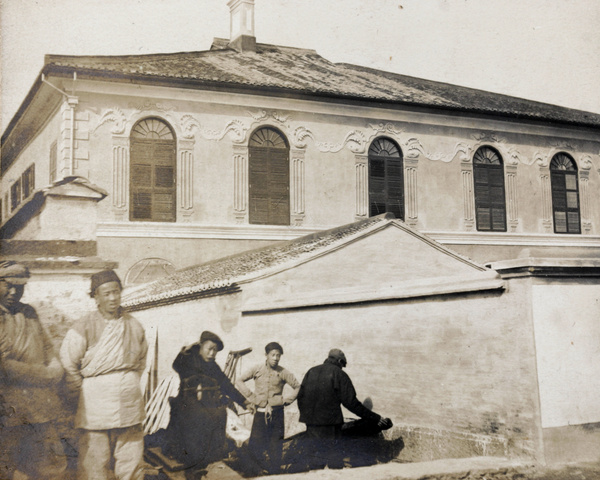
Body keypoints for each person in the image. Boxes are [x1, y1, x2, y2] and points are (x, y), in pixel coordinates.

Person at [60, 269, 148, 480]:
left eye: (116, 292)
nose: (113, 298)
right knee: (94, 459)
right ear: (95, 297)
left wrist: (127, 382)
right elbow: (69, 363)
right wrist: (80, 392)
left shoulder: (134, 325)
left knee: (131, 457)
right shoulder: (83, 326)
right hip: (95, 401)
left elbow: (141, 362)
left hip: (129, 400)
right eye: (106, 293)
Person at [0, 261, 67, 479]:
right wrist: (48, 374)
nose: (13, 292)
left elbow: (47, 347)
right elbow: (5, 366)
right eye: (7, 285)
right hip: (8, 406)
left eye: (19, 287)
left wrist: (56, 365)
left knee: (51, 462)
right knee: (10, 465)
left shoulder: (29, 312)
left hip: (40, 405)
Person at [166, 331, 255, 476]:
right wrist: (183, 352)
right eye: (210, 349)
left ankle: (204, 465)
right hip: (186, 405)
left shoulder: (213, 366)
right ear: (201, 346)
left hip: (205, 409)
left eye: (215, 351)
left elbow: (226, 385)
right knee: (186, 442)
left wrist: (245, 402)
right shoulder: (189, 359)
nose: (212, 353)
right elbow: (177, 365)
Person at [297, 348, 392, 470]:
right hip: (330, 424)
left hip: (311, 423)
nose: (342, 367)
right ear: (340, 361)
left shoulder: (311, 371)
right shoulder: (339, 374)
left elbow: (300, 396)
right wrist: (375, 417)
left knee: (315, 459)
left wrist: (307, 416)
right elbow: (351, 403)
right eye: (343, 365)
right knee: (334, 460)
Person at [236, 341, 300, 474]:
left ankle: (275, 474)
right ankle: (253, 473)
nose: (276, 358)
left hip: (277, 414)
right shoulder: (257, 369)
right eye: (273, 355)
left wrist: (284, 401)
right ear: (266, 355)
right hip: (260, 414)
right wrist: (253, 398)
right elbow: (239, 381)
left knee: (275, 446)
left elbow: (298, 387)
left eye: (278, 355)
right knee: (255, 445)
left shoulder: (283, 372)